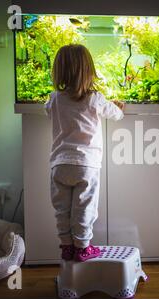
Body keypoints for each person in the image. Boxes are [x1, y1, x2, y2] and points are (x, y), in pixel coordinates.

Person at [45, 44, 124, 262]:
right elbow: (116, 114)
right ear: (89, 71)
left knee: (61, 209)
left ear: (59, 71)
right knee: (84, 208)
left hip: (59, 165)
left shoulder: (55, 98)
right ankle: (82, 247)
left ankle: (67, 246)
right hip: (86, 165)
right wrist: (118, 106)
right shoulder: (95, 98)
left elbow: (47, 110)